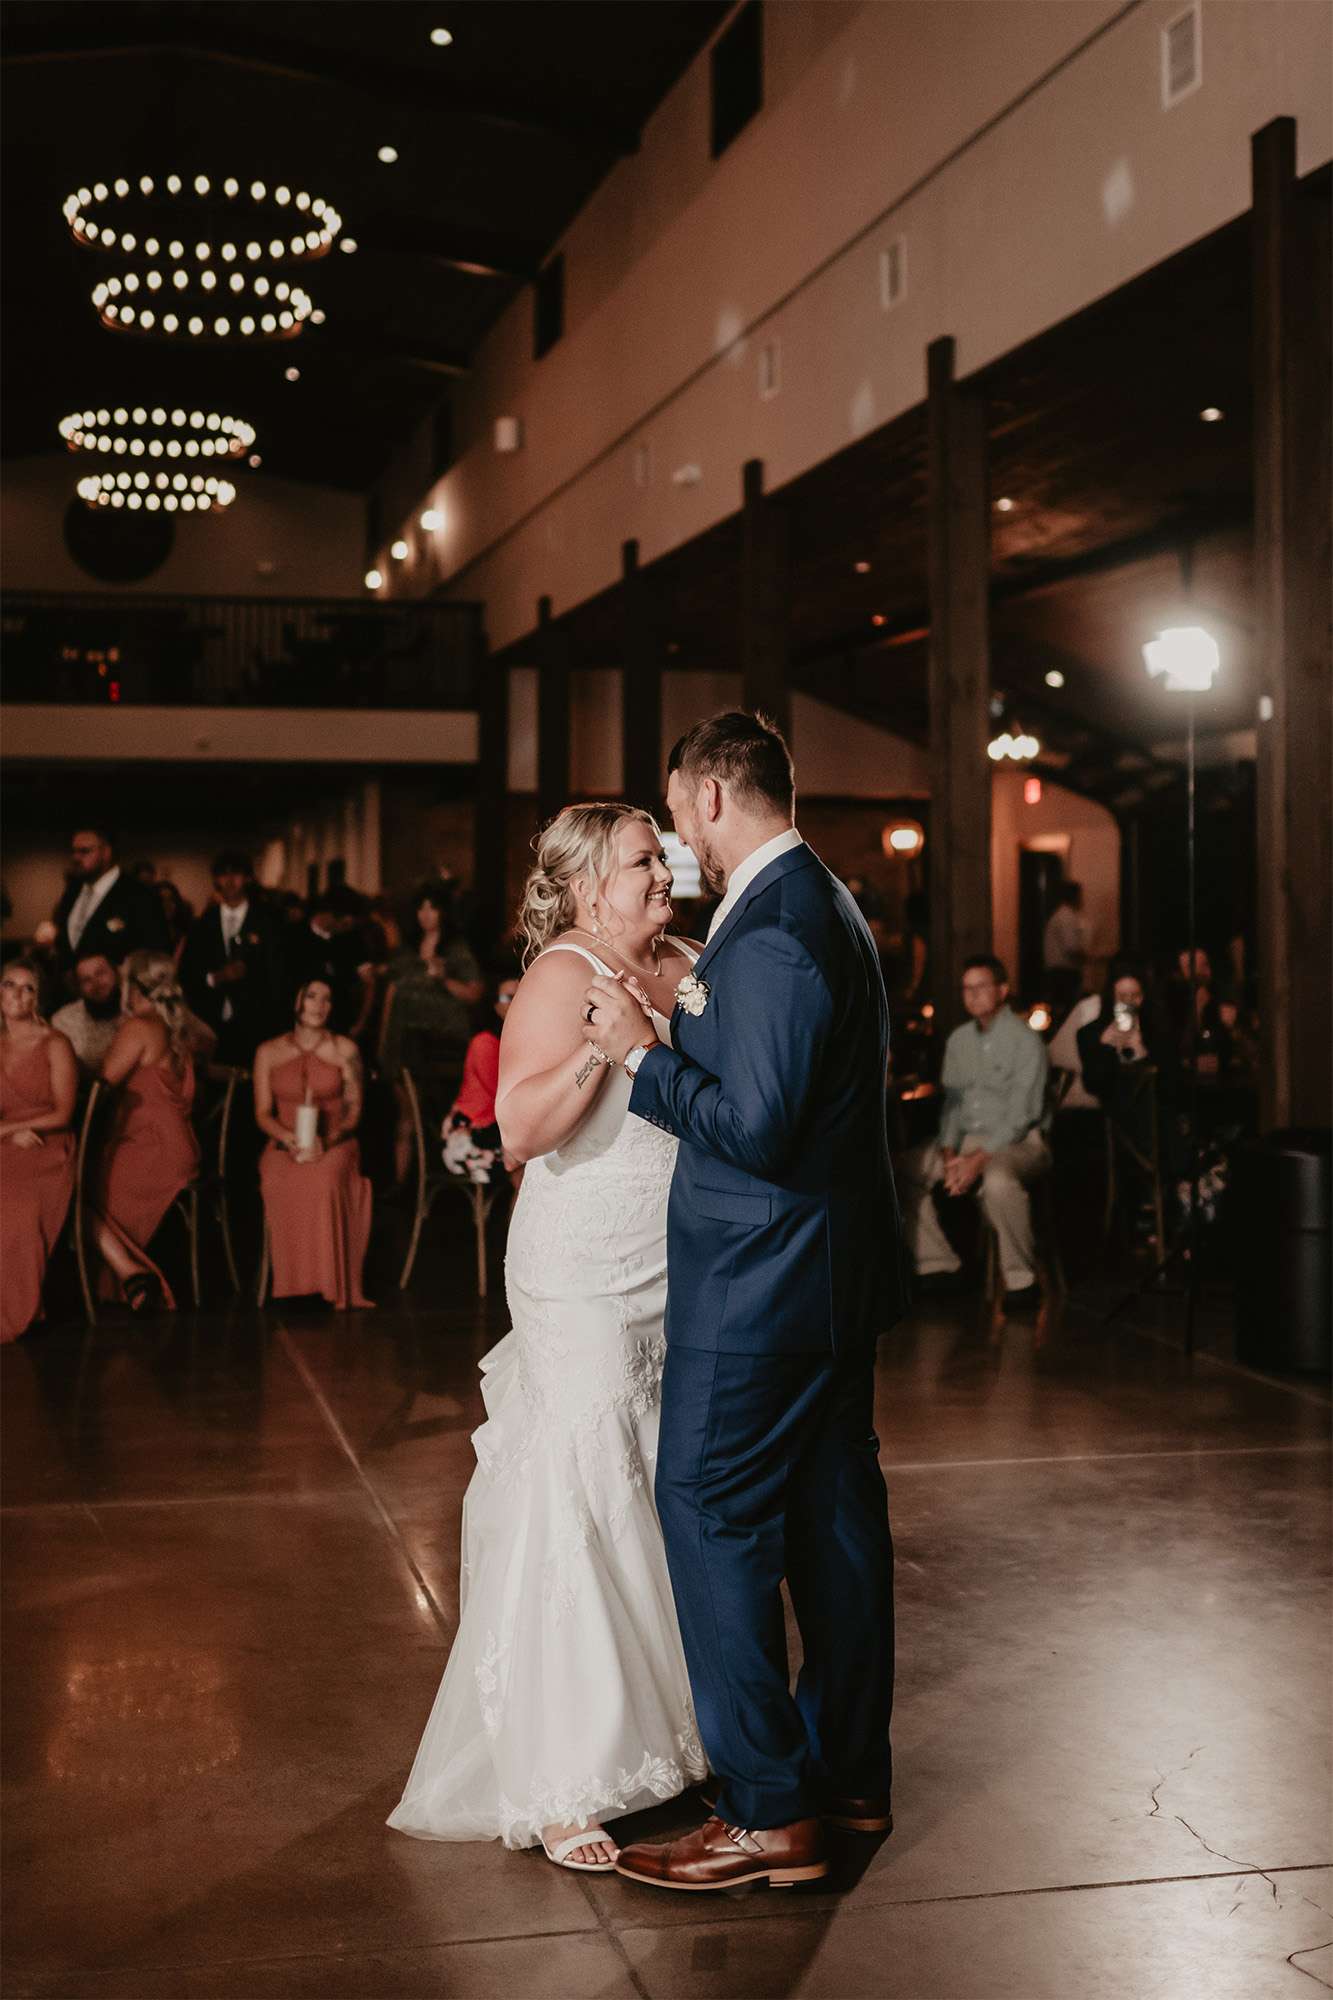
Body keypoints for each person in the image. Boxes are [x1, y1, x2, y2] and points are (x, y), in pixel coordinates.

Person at [578, 710, 905, 1895]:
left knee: (707, 1508)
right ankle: (849, 1779)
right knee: (830, 1524)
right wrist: (687, 1021)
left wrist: (640, 1053)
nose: (674, 842)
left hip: (761, 1283)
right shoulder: (816, 902)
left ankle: (767, 1808)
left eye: (676, 812)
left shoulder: (771, 931)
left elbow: (756, 1127)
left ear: (713, 797)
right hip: (822, 1276)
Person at [388, 803, 709, 1871]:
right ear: (584, 890)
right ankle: (568, 1774)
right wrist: (603, 1049)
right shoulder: (561, 975)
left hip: (671, 1265)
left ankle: (668, 1733)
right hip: (580, 1269)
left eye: (660, 856)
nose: (661, 871)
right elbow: (517, 1129)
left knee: (658, 1486)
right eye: (640, 862)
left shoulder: (688, 956)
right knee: (581, 1491)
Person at [900, 954, 1051, 1304]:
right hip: (967, 1142)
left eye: (981, 987)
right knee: (904, 1169)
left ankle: (1020, 1281)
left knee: (998, 1180)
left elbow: (1022, 1115)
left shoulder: (1026, 1041)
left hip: (1019, 1141)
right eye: (966, 989)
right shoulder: (958, 1041)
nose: (973, 996)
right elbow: (953, 1106)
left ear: (1002, 990)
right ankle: (938, 1265)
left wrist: (979, 1160)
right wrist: (951, 1153)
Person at [91, 952, 201, 1314]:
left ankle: (134, 1275)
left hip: (150, 1151)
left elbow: (100, 1085)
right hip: (179, 1148)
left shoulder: (139, 1027)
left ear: (132, 986)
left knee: (69, 1192)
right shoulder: (183, 1026)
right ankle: (134, 1280)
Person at [254, 979, 372, 1310]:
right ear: (296, 1000)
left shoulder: (345, 1050)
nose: (319, 1005)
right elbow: (262, 1113)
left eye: (327, 999)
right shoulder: (268, 1051)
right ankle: (289, 1285)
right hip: (285, 1140)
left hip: (334, 1141)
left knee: (325, 1179)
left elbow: (354, 1113)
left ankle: (327, 1286)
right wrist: (286, 1137)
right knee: (277, 1178)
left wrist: (328, 1140)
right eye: (311, 996)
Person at [379, 884, 485, 1182]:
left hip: (441, 1043)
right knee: (405, 1113)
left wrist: (444, 978)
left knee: (437, 1112)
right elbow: (390, 994)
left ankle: (449, 1172)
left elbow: (475, 993)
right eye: (421, 908)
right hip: (402, 1042)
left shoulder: (455, 950)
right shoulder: (407, 951)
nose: (426, 915)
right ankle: (402, 1185)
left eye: (432, 908)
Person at [1, 960, 77, 1341]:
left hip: (47, 1144)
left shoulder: (55, 1043)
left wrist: (11, 1129)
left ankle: (14, 1309)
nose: (17, 994)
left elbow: (64, 1112)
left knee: (15, 1202)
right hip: (8, 1142)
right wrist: (9, 1134)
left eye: (27, 987)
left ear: (38, 997)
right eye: (9, 985)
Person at [179, 851, 286, 1067]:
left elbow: (280, 973)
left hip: (257, 1020)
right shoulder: (203, 923)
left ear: (247, 878)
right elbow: (187, 972)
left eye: (236, 874)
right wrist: (214, 978)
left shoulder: (269, 920)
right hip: (211, 1021)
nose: (229, 881)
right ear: (215, 880)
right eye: (222, 875)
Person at [53, 826, 170, 975]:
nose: (75, 858)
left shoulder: (139, 895)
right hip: (71, 994)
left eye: (84, 851)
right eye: (73, 851)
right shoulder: (72, 892)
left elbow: (156, 956)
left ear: (106, 852)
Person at [441, 970, 520, 1184]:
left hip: (498, 1126)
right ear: (495, 1005)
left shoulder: (517, 1041)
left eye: (522, 995)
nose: (517, 1002)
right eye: (509, 998)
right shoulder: (485, 1042)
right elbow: (499, 1094)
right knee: (527, 1164)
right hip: (472, 1134)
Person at [51, 950, 124, 1078]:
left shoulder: (136, 1009)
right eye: (86, 980)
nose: (96, 983)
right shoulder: (63, 1020)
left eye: (100, 973)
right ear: (78, 987)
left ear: (116, 973)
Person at [1042, 881, 1089, 1020]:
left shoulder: (1060, 915)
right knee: (1066, 1013)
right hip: (1064, 973)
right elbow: (1072, 947)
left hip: (1059, 972)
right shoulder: (1067, 917)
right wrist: (1090, 959)